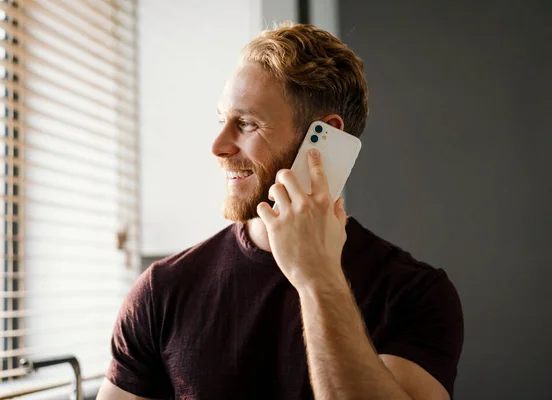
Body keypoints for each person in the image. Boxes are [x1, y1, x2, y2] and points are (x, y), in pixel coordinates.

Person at [97, 23, 463, 400]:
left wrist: (318, 280)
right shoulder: (161, 291)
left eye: (247, 123)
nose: (218, 146)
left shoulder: (413, 294)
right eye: (221, 120)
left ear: (322, 139)